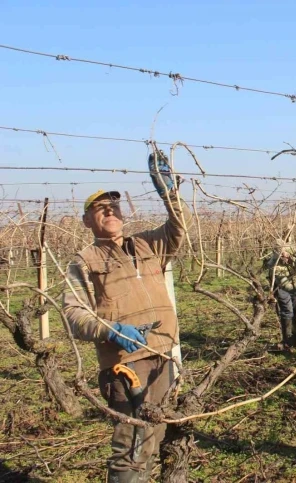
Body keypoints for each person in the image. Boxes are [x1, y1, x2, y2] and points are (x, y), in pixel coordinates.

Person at [62, 149, 191, 483]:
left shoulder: (148, 244)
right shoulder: (85, 260)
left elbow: (179, 228)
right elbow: (73, 313)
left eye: (114, 206)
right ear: (87, 220)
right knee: (131, 444)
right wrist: (109, 329)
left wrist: (169, 194)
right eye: (100, 209)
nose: (110, 211)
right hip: (125, 363)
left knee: (156, 434)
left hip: (164, 353)